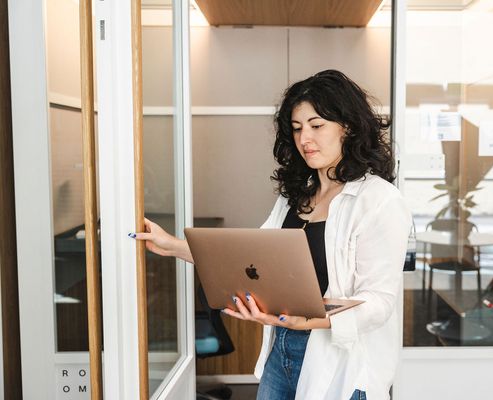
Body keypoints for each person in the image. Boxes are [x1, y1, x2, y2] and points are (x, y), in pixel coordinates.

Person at [131, 70, 412, 400]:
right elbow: (250, 260)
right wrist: (173, 246)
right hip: (281, 349)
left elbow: (379, 303)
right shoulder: (296, 195)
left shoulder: (379, 201)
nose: (304, 138)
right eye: (296, 128)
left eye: (316, 125)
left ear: (347, 127)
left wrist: (310, 322)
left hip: (340, 361)